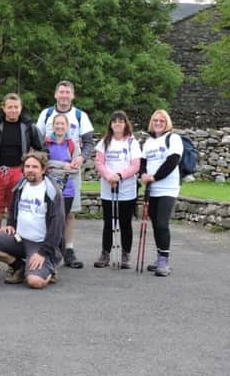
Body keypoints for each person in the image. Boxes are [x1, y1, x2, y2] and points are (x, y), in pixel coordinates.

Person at [0, 151, 64, 289]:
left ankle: (50, 266)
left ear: (43, 170)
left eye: (35, 167)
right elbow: (13, 208)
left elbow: (57, 226)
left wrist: (43, 253)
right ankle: (19, 266)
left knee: (35, 282)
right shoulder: (21, 185)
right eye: (27, 166)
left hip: (40, 244)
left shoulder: (51, 192)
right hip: (19, 239)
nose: (30, 170)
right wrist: (11, 225)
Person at [36, 80, 94, 269]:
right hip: (50, 172)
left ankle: (68, 249)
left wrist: (81, 159)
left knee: (69, 213)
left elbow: (88, 143)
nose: (64, 95)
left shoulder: (80, 115)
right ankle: (46, 247)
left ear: (72, 95)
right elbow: (37, 141)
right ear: (55, 94)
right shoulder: (46, 114)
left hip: (71, 171)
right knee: (47, 211)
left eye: (67, 92)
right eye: (61, 92)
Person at [0, 93, 43, 272]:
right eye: (9, 107)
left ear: (21, 107)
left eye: (16, 107)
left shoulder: (29, 126)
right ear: (3, 108)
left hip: (19, 172)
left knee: (16, 215)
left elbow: (41, 150)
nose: (13, 110)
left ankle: (14, 257)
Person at [93, 111, 141, 269]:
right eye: (114, 121)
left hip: (127, 189)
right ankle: (105, 253)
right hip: (108, 189)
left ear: (126, 124)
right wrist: (109, 176)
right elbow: (99, 163)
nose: (118, 124)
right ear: (111, 124)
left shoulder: (132, 142)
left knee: (125, 223)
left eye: (121, 121)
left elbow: (135, 165)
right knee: (108, 222)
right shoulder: (104, 142)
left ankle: (126, 254)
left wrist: (119, 176)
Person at [140, 109, 182, 277]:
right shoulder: (148, 142)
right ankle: (159, 257)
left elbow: (173, 161)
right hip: (152, 188)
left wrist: (155, 177)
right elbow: (143, 162)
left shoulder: (174, 138)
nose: (158, 123)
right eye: (155, 120)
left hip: (168, 188)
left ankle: (164, 261)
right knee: (156, 223)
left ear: (167, 123)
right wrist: (143, 174)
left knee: (163, 223)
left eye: (161, 121)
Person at [44, 114, 80, 219]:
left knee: (62, 221)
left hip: (67, 189)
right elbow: (44, 164)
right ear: (53, 125)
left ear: (67, 126)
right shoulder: (46, 143)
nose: (59, 126)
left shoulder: (72, 145)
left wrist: (54, 170)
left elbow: (75, 170)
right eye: (57, 123)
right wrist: (63, 165)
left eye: (62, 123)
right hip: (48, 186)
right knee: (48, 220)